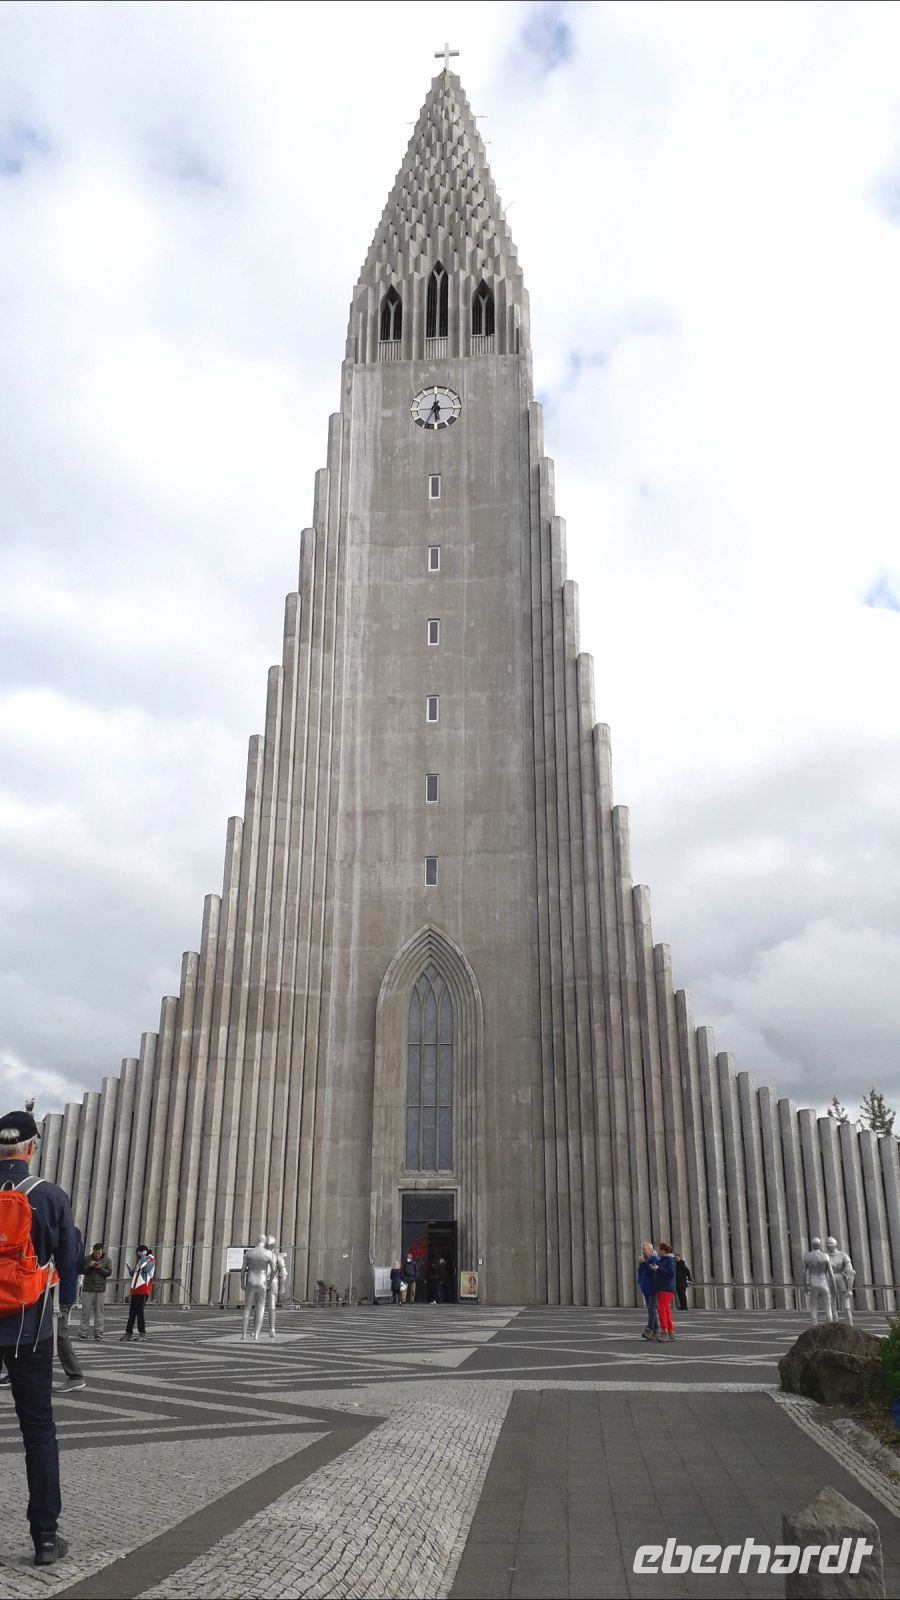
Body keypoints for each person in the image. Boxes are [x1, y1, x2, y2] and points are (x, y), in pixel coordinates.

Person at [0, 1107, 77, 1567]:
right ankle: (45, 1539)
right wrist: (65, 1307)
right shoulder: (49, 1195)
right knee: (38, 1431)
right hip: (29, 1328)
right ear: (31, 1148)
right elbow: (68, 1260)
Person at [79, 1241, 112, 1342]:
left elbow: (108, 1273)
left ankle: (98, 1332)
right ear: (92, 1251)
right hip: (88, 1289)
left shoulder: (107, 1260)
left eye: (99, 1253)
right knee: (85, 1312)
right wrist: (89, 1266)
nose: (97, 1255)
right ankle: (83, 1332)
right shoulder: (87, 1259)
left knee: (99, 1312)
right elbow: (82, 1270)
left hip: (100, 1289)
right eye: (95, 1253)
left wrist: (99, 1268)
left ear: (102, 1251)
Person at [121, 1245, 155, 1341]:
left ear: (143, 1252)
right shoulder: (141, 1261)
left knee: (140, 1312)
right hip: (135, 1289)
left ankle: (142, 1333)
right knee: (132, 1313)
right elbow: (136, 1274)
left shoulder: (150, 1260)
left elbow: (146, 1270)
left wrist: (143, 1257)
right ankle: (128, 1333)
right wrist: (130, 1270)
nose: (138, 1256)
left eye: (139, 1253)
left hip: (143, 1289)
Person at [637, 1241, 659, 1340]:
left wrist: (644, 1263)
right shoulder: (644, 1260)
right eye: (642, 1249)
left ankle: (650, 1329)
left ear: (650, 1250)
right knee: (651, 1310)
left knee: (651, 1309)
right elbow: (641, 1271)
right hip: (645, 1287)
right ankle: (656, 1330)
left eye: (644, 1249)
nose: (643, 1251)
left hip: (653, 1287)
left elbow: (650, 1271)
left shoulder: (654, 1259)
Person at [655, 1242, 676, 1341]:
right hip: (661, 1287)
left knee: (661, 1310)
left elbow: (670, 1273)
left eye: (660, 1249)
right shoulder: (662, 1260)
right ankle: (671, 1331)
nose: (659, 1251)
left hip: (668, 1288)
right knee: (666, 1311)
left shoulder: (670, 1260)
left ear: (664, 1250)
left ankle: (664, 1332)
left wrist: (658, 1269)